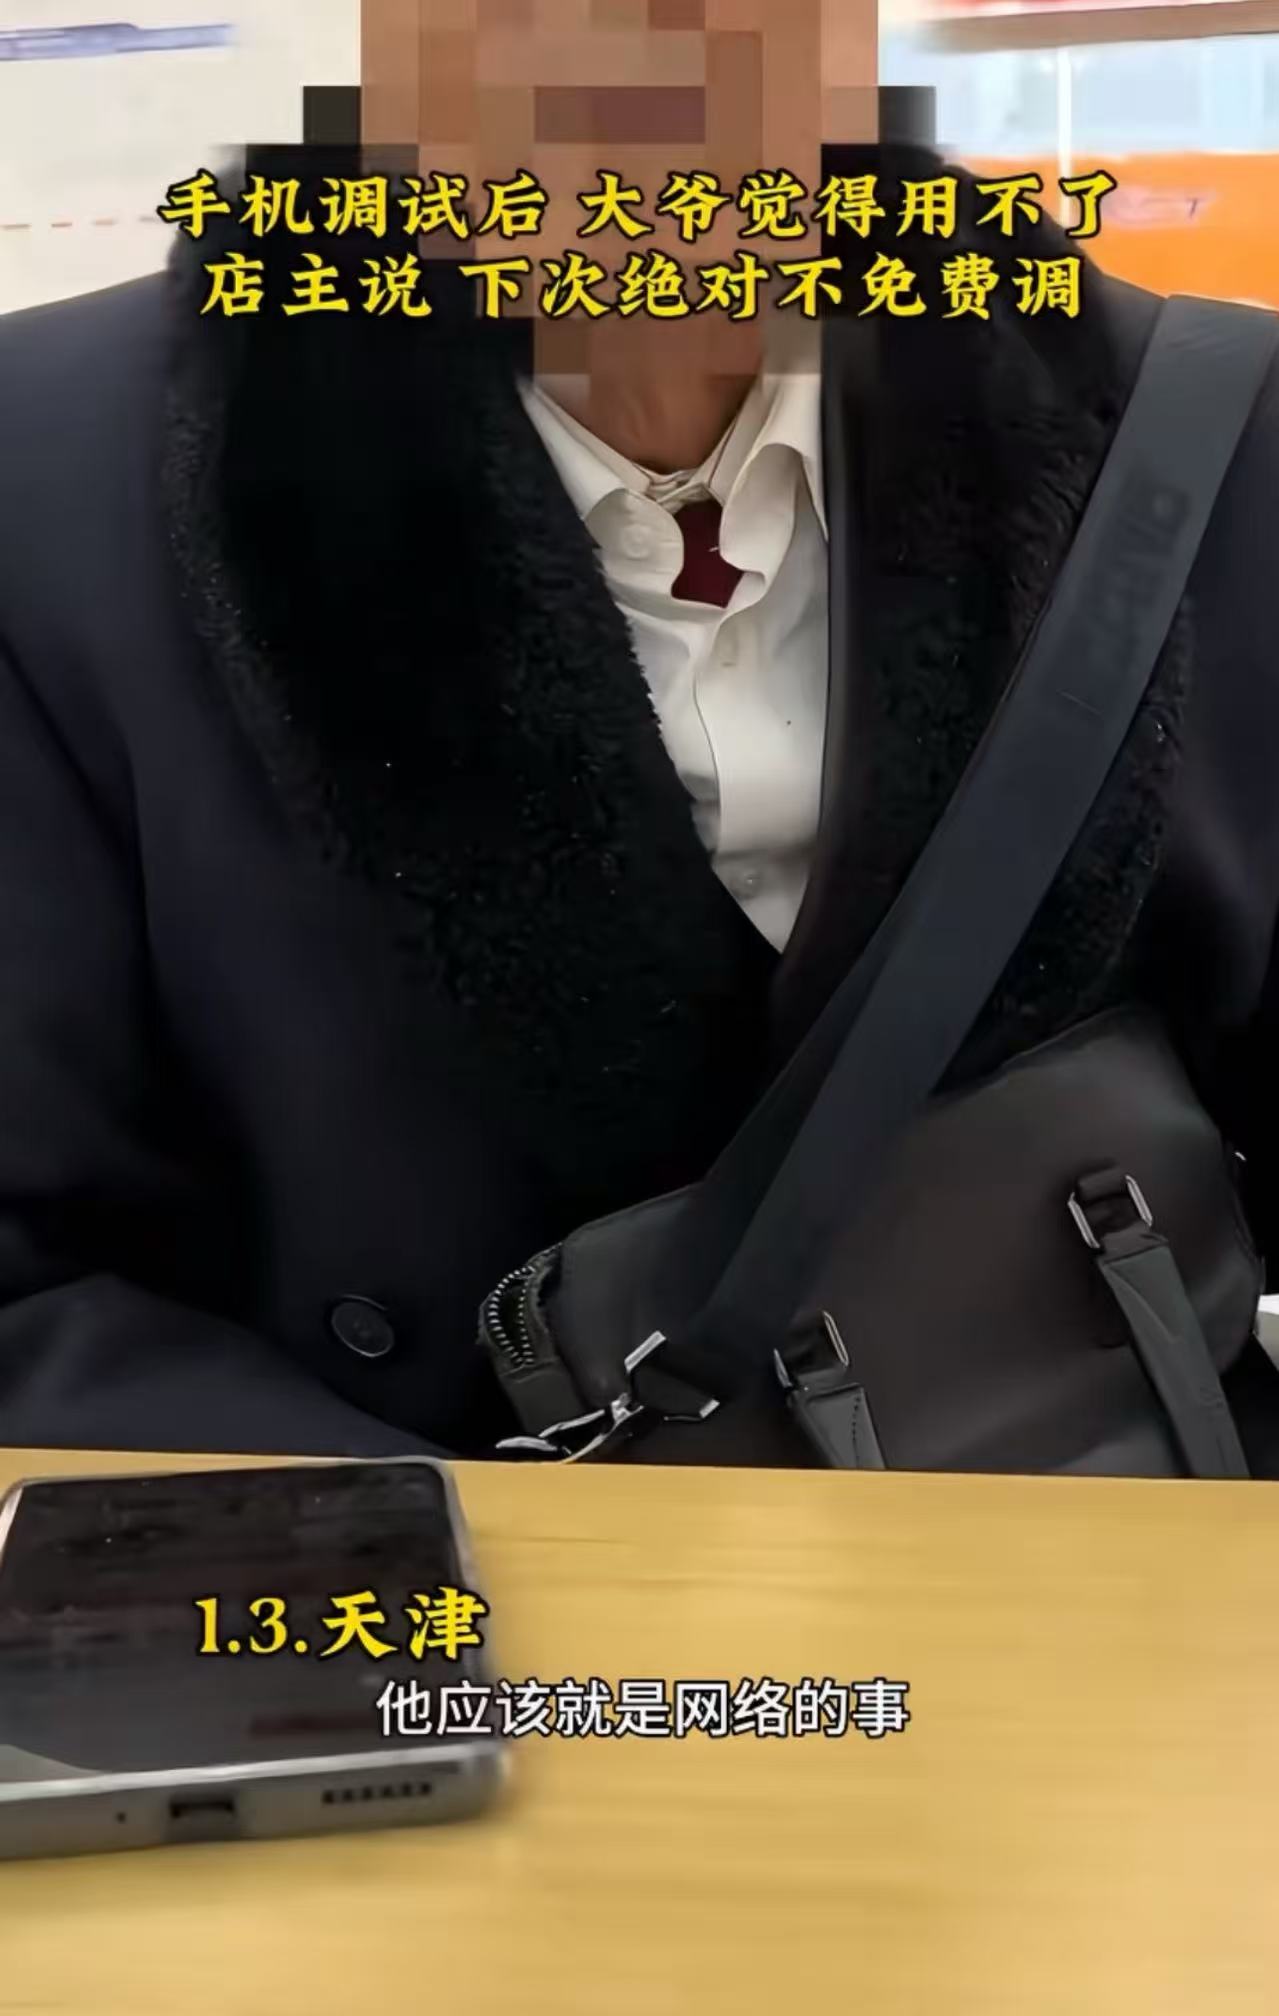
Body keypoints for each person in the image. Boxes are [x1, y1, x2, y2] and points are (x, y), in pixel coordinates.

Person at [0, 2, 1278, 1467]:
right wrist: (435, 1566)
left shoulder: (1200, 437)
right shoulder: (54, 488)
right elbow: (30, 1290)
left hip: (1108, 1509)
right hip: (406, 1560)